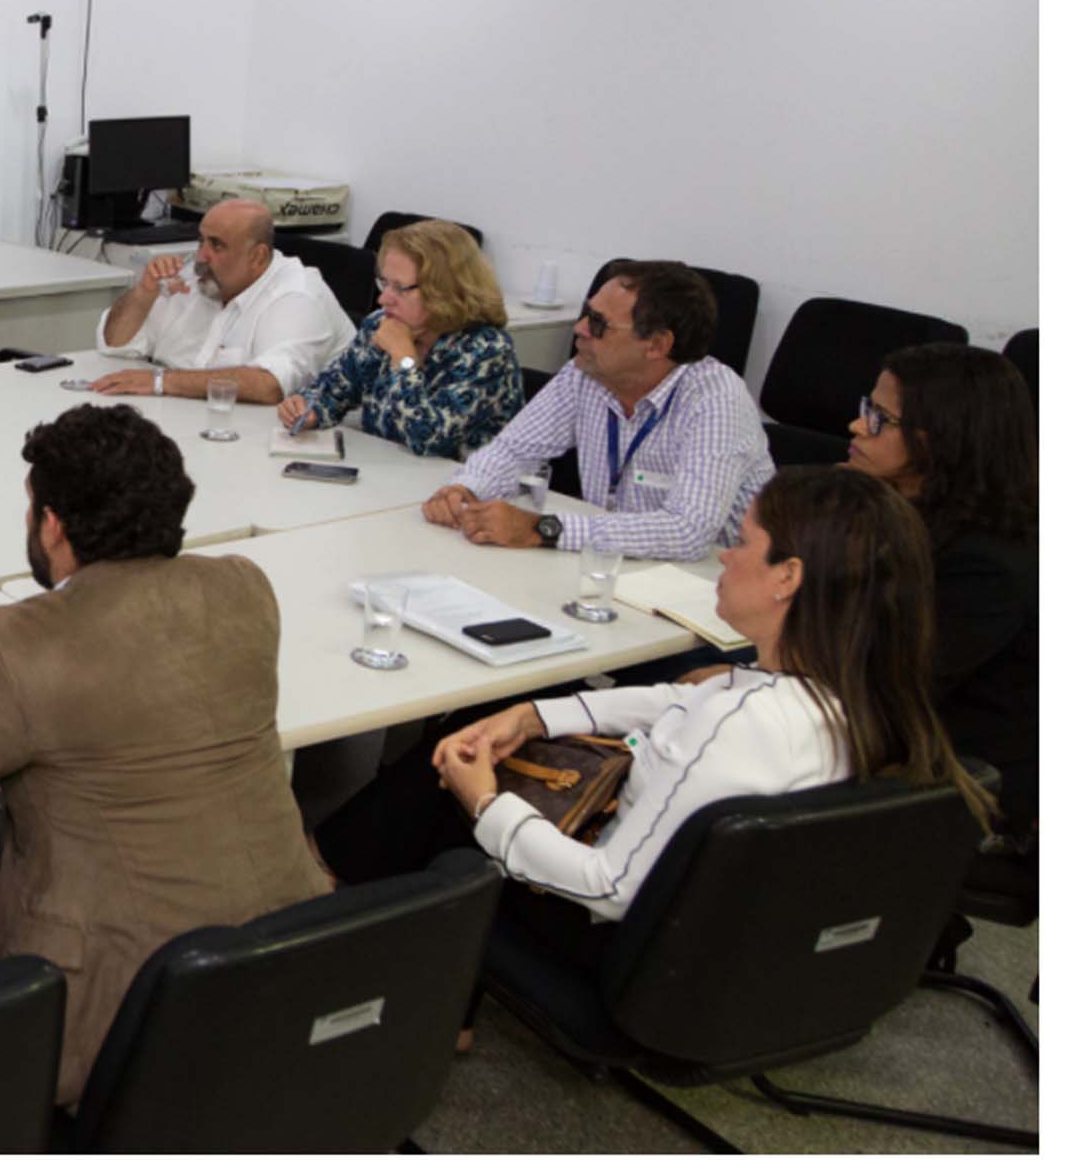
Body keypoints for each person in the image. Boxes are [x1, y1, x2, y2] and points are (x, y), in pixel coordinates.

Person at [318, 468, 994, 975]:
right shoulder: (863, 694)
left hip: (626, 945)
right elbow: (680, 699)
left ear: (787, 578)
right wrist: (533, 715)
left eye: (743, 542)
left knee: (440, 790)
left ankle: (327, 924)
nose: (725, 554)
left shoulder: (742, 720)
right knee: (478, 742)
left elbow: (607, 888)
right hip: (732, 937)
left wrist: (485, 804)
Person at [0, 405, 331, 1106]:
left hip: (119, 1016)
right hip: (288, 965)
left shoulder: (7, 642)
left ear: (53, 525)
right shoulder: (244, 587)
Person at [421, 260, 773, 559]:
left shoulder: (716, 399)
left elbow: (688, 530)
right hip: (614, 561)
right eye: (586, 314)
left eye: (599, 323)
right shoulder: (585, 373)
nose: (580, 328)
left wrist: (542, 528)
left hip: (707, 585)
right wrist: (466, 489)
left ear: (656, 344)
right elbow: (513, 450)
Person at [842, 345, 1036, 838]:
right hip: (875, 722)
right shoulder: (900, 506)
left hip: (954, 774)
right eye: (867, 408)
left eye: (881, 419)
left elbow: (888, 687)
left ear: (941, 438)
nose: (857, 426)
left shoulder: (989, 565)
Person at [274, 218, 523, 459]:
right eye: (384, 283)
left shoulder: (487, 351)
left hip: (459, 483)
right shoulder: (381, 324)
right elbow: (332, 391)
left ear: (444, 291)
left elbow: (429, 440)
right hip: (387, 471)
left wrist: (403, 358)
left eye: (400, 288)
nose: (383, 299)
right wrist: (307, 408)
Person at [90, 198, 354, 404]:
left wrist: (160, 381)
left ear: (258, 257)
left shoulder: (297, 295)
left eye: (217, 246)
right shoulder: (196, 279)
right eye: (201, 241)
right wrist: (143, 292)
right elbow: (115, 345)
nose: (201, 256)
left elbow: (269, 384)